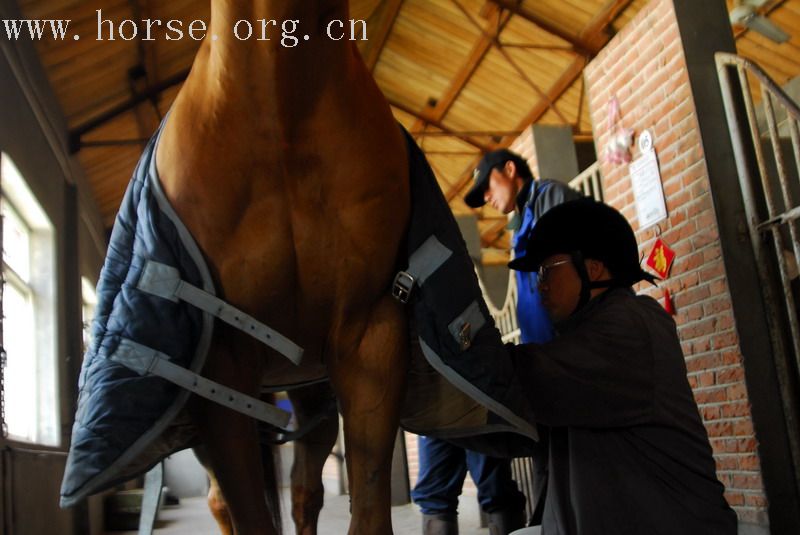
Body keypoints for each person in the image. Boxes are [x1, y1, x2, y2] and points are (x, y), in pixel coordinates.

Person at [506, 198, 738, 534]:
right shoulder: (584, 336)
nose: (540, 284)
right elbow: (518, 426)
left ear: (593, 269)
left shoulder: (629, 326)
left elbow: (521, 377)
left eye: (548, 270)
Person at [411, 150, 580, 535]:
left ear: (509, 169)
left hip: (564, 357)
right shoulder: (520, 226)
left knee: (566, 467)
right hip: (541, 364)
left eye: (487, 186)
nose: (486, 197)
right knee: (544, 465)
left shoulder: (550, 199)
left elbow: (573, 270)